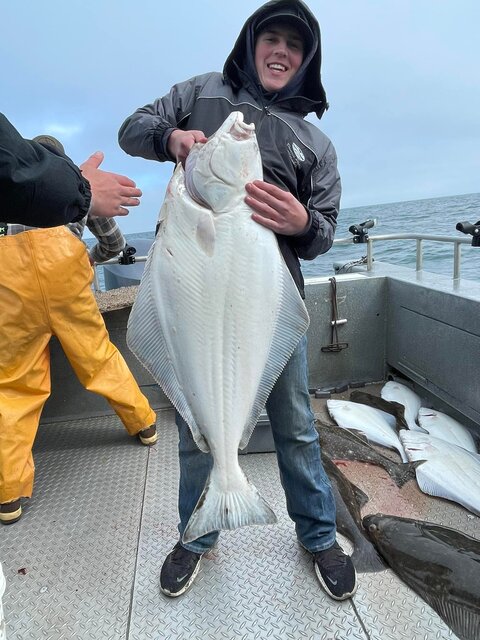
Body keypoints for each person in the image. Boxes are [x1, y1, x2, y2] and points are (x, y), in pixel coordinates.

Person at [118, 0, 356, 601]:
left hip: (266, 305)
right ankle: (196, 536)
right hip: (198, 297)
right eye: (270, 38)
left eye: (294, 46)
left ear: (307, 61)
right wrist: (170, 136)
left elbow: (324, 229)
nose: (281, 51)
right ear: (251, 43)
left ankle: (319, 534)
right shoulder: (201, 92)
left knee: (297, 427)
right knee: (196, 427)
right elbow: (131, 129)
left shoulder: (314, 142)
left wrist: (304, 220)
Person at [0, 135, 158, 526]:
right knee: (98, 358)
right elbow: (114, 246)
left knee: (14, 385)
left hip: (13, 295)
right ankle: (144, 425)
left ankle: (9, 494)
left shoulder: (9, 196)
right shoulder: (76, 190)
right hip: (69, 288)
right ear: (63, 163)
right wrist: (82, 260)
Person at [0, 112, 142, 227]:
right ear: (63, 159)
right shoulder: (88, 197)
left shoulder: (9, 211)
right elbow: (113, 245)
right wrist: (83, 189)